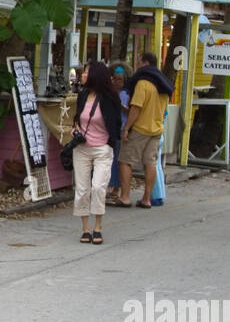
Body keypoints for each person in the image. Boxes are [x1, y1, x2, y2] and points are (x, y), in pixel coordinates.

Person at [71, 61, 123, 245]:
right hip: (82, 148)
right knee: (82, 189)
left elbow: (116, 123)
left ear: (94, 75)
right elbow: (78, 118)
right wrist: (75, 129)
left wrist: (111, 143)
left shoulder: (110, 98)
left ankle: (98, 227)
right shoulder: (83, 95)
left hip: (102, 148)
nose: (82, 75)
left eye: (86, 72)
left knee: (98, 187)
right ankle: (85, 228)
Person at [115, 52, 173, 209]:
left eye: (139, 62)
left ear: (145, 63)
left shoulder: (143, 83)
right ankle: (147, 198)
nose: (137, 65)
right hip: (157, 129)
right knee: (150, 162)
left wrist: (126, 128)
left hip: (140, 128)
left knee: (125, 161)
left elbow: (136, 109)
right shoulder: (164, 83)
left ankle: (125, 197)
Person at [105, 61, 131, 202]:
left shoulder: (127, 94)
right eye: (114, 79)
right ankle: (112, 187)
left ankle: (117, 189)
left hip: (121, 130)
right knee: (111, 160)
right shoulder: (110, 92)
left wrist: (119, 104)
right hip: (111, 130)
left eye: (120, 79)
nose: (117, 82)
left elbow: (131, 111)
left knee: (118, 161)